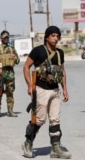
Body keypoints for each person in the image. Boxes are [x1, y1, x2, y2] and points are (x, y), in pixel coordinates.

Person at [22, 26, 71, 159]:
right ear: (47, 37)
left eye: (57, 36)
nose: (56, 38)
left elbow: (62, 72)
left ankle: (55, 148)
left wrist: (64, 89)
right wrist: (29, 86)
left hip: (55, 90)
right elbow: (26, 67)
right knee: (39, 119)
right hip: (41, 89)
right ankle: (28, 143)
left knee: (55, 119)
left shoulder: (60, 53)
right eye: (53, 35)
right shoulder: (38, 51)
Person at [0, 30, 20, 118]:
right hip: (1, 73)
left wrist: (14, 57)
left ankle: (10, 110)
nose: (6, 39)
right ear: (1, 38)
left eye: (7, 37)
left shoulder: (11, 49)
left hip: (10, 73)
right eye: (4, 37)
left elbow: (17, 61)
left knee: (10, 92)